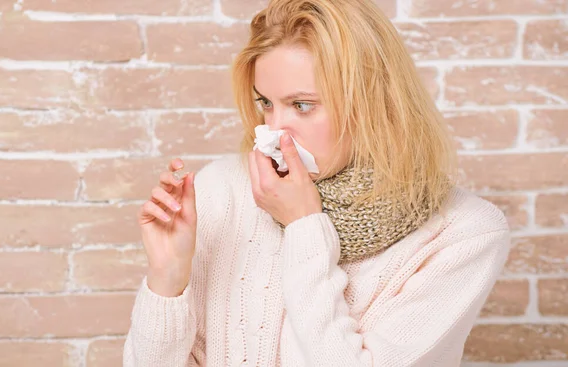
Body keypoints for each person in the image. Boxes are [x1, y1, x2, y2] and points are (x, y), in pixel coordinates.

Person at [123, 0, 511, 366]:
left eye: (302, 105)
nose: (273, 129)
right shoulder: (223, 189)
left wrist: (304, 227)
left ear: (374, 104)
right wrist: (168, 279)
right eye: (266, 103)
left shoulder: (464, 234)